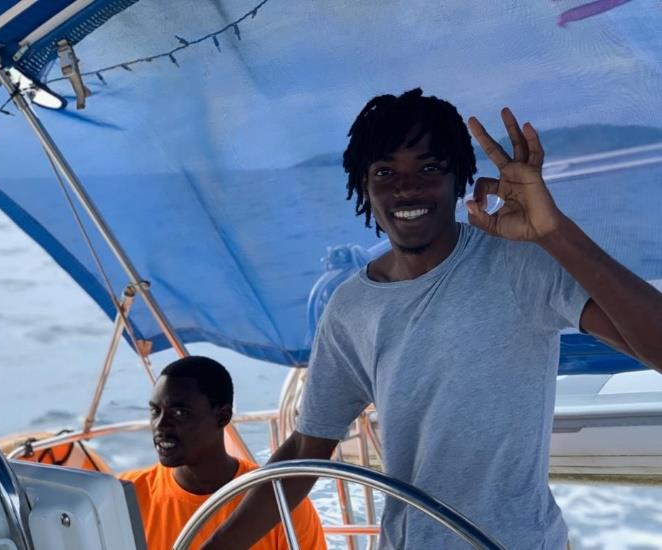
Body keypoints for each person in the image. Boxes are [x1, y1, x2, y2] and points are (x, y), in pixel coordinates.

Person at [201, 88, 662, 549]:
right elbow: (306, 449)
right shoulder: (350, 309)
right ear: (364, 186)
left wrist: (554, 231)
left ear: (459, 178)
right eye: (385, 172)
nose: (407, 187)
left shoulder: (520, 263)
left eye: (429, 168)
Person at [119, 356, 327, 550]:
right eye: (155, 411)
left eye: (179, 413)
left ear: (222, 417)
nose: (160, 425)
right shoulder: (123, 497)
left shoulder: (283, 502)